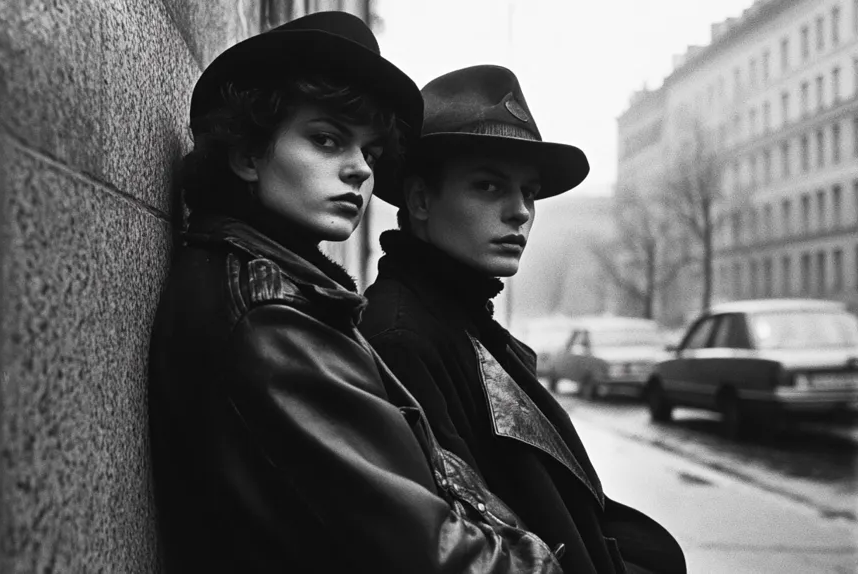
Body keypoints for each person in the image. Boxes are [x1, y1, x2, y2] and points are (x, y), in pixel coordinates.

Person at [148, 14, 565, 573]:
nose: (358, 171)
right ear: (248, 154)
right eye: (326, 140)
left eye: (369, 152)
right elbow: (432, 555)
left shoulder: (287, 291)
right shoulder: (271, 315)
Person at [359, 65, 687, 574]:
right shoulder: (402, 339)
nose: (520, 212)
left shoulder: (466, 324)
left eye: (529, 192)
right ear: (421, 200)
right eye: (489, 186)